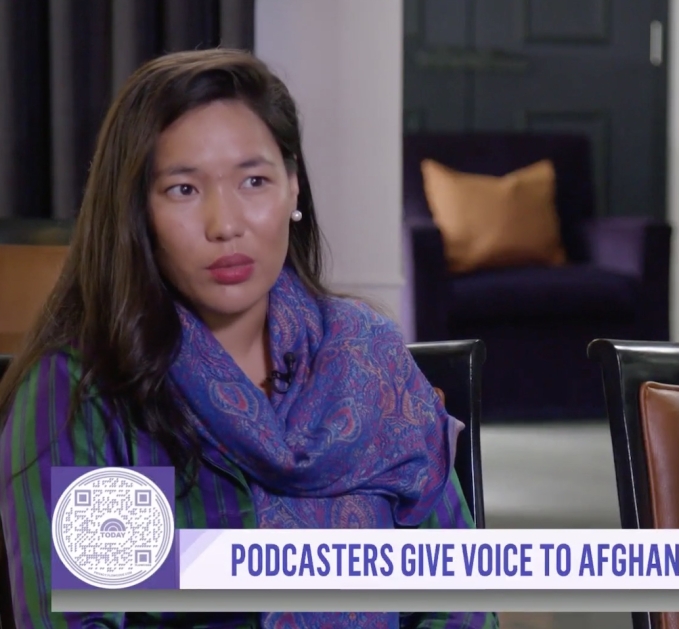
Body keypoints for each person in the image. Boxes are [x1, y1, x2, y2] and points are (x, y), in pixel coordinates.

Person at [0, 49, 497, 629]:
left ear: (293, 191)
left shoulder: (368, 355)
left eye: (254, 180)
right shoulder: (84, 393)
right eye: (183, 190)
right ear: (137, 212)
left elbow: (458, 596)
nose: (225, 223)